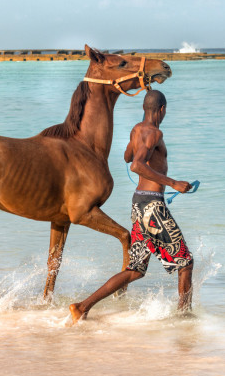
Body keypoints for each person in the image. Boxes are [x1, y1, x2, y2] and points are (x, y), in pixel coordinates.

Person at [69, 90, 194, 324]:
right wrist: (173, 183)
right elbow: (136, 165)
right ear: (162, 110)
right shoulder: (154, 132)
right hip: (152, 207)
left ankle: (82, 307)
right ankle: (184, 319)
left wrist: (138, 147)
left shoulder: (137, 130)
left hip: (139, 204)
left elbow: (128, 156)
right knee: (185, 263)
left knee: (135, 270)